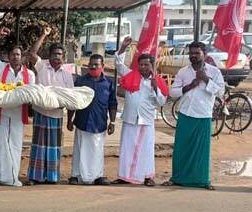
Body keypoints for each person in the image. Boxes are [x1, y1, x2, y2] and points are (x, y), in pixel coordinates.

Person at [165, 41, 224, 189]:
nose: (193, 56)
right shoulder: (183, 72)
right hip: (185, 113)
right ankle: (177, 178)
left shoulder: (214, 72)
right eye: (191, 53)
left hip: (203, 115)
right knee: (181, 149)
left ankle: (202, 180)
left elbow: (220, 92)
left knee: (201, 151)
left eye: (197, 53)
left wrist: (205, 79)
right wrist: (190, 86)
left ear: (205, 54)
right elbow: (173, 92)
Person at [0, 27, 37, 186]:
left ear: (22, 57)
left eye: (18, 54)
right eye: (13, 54)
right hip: (3, 112)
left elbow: (31, 95)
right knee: (0, 144)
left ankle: (13, 176)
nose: (15, 57)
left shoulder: (30, 74)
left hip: (18, 115)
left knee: (15, 145)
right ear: (8, 56)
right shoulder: (2, 68)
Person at [114, 37, 168, 186]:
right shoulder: (131, 75)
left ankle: (147, 176)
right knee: (126, 148)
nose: (143, 67)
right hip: (130, 118)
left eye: (146, 64)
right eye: (141, 64)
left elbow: (162, 102)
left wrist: (156, 87)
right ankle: (124, 176)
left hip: (146, 120)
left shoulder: (157, 81)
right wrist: (123, 48)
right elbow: (118, 64)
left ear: (152, 65)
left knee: (146, 150)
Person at [26, 26, 73, 184]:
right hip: (40, 112)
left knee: (53, 148)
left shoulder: (67, 75)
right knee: (38, 146)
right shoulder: (42, 66)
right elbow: (32, 54)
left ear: (63, 56)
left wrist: (69, 119)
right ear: (49, 55)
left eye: (59, 54)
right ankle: (35, 176)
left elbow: (70, 96)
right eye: (54, 54)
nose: (56, 57)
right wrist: (44, 35)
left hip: (57, 115)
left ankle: (51, 177)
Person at [66, 54, 117, 185]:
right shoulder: (80, 81)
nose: (93, 67)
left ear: (103, 66)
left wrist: (112, 122)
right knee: (79, 149)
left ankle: (97, 176)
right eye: (91, 64)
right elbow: (73, 102)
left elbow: (113, 103)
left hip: (99, 122)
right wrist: (69, 120)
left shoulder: (108, 83)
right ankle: (75, 175)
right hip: (82, 121)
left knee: (97, 151)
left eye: (96, 64)